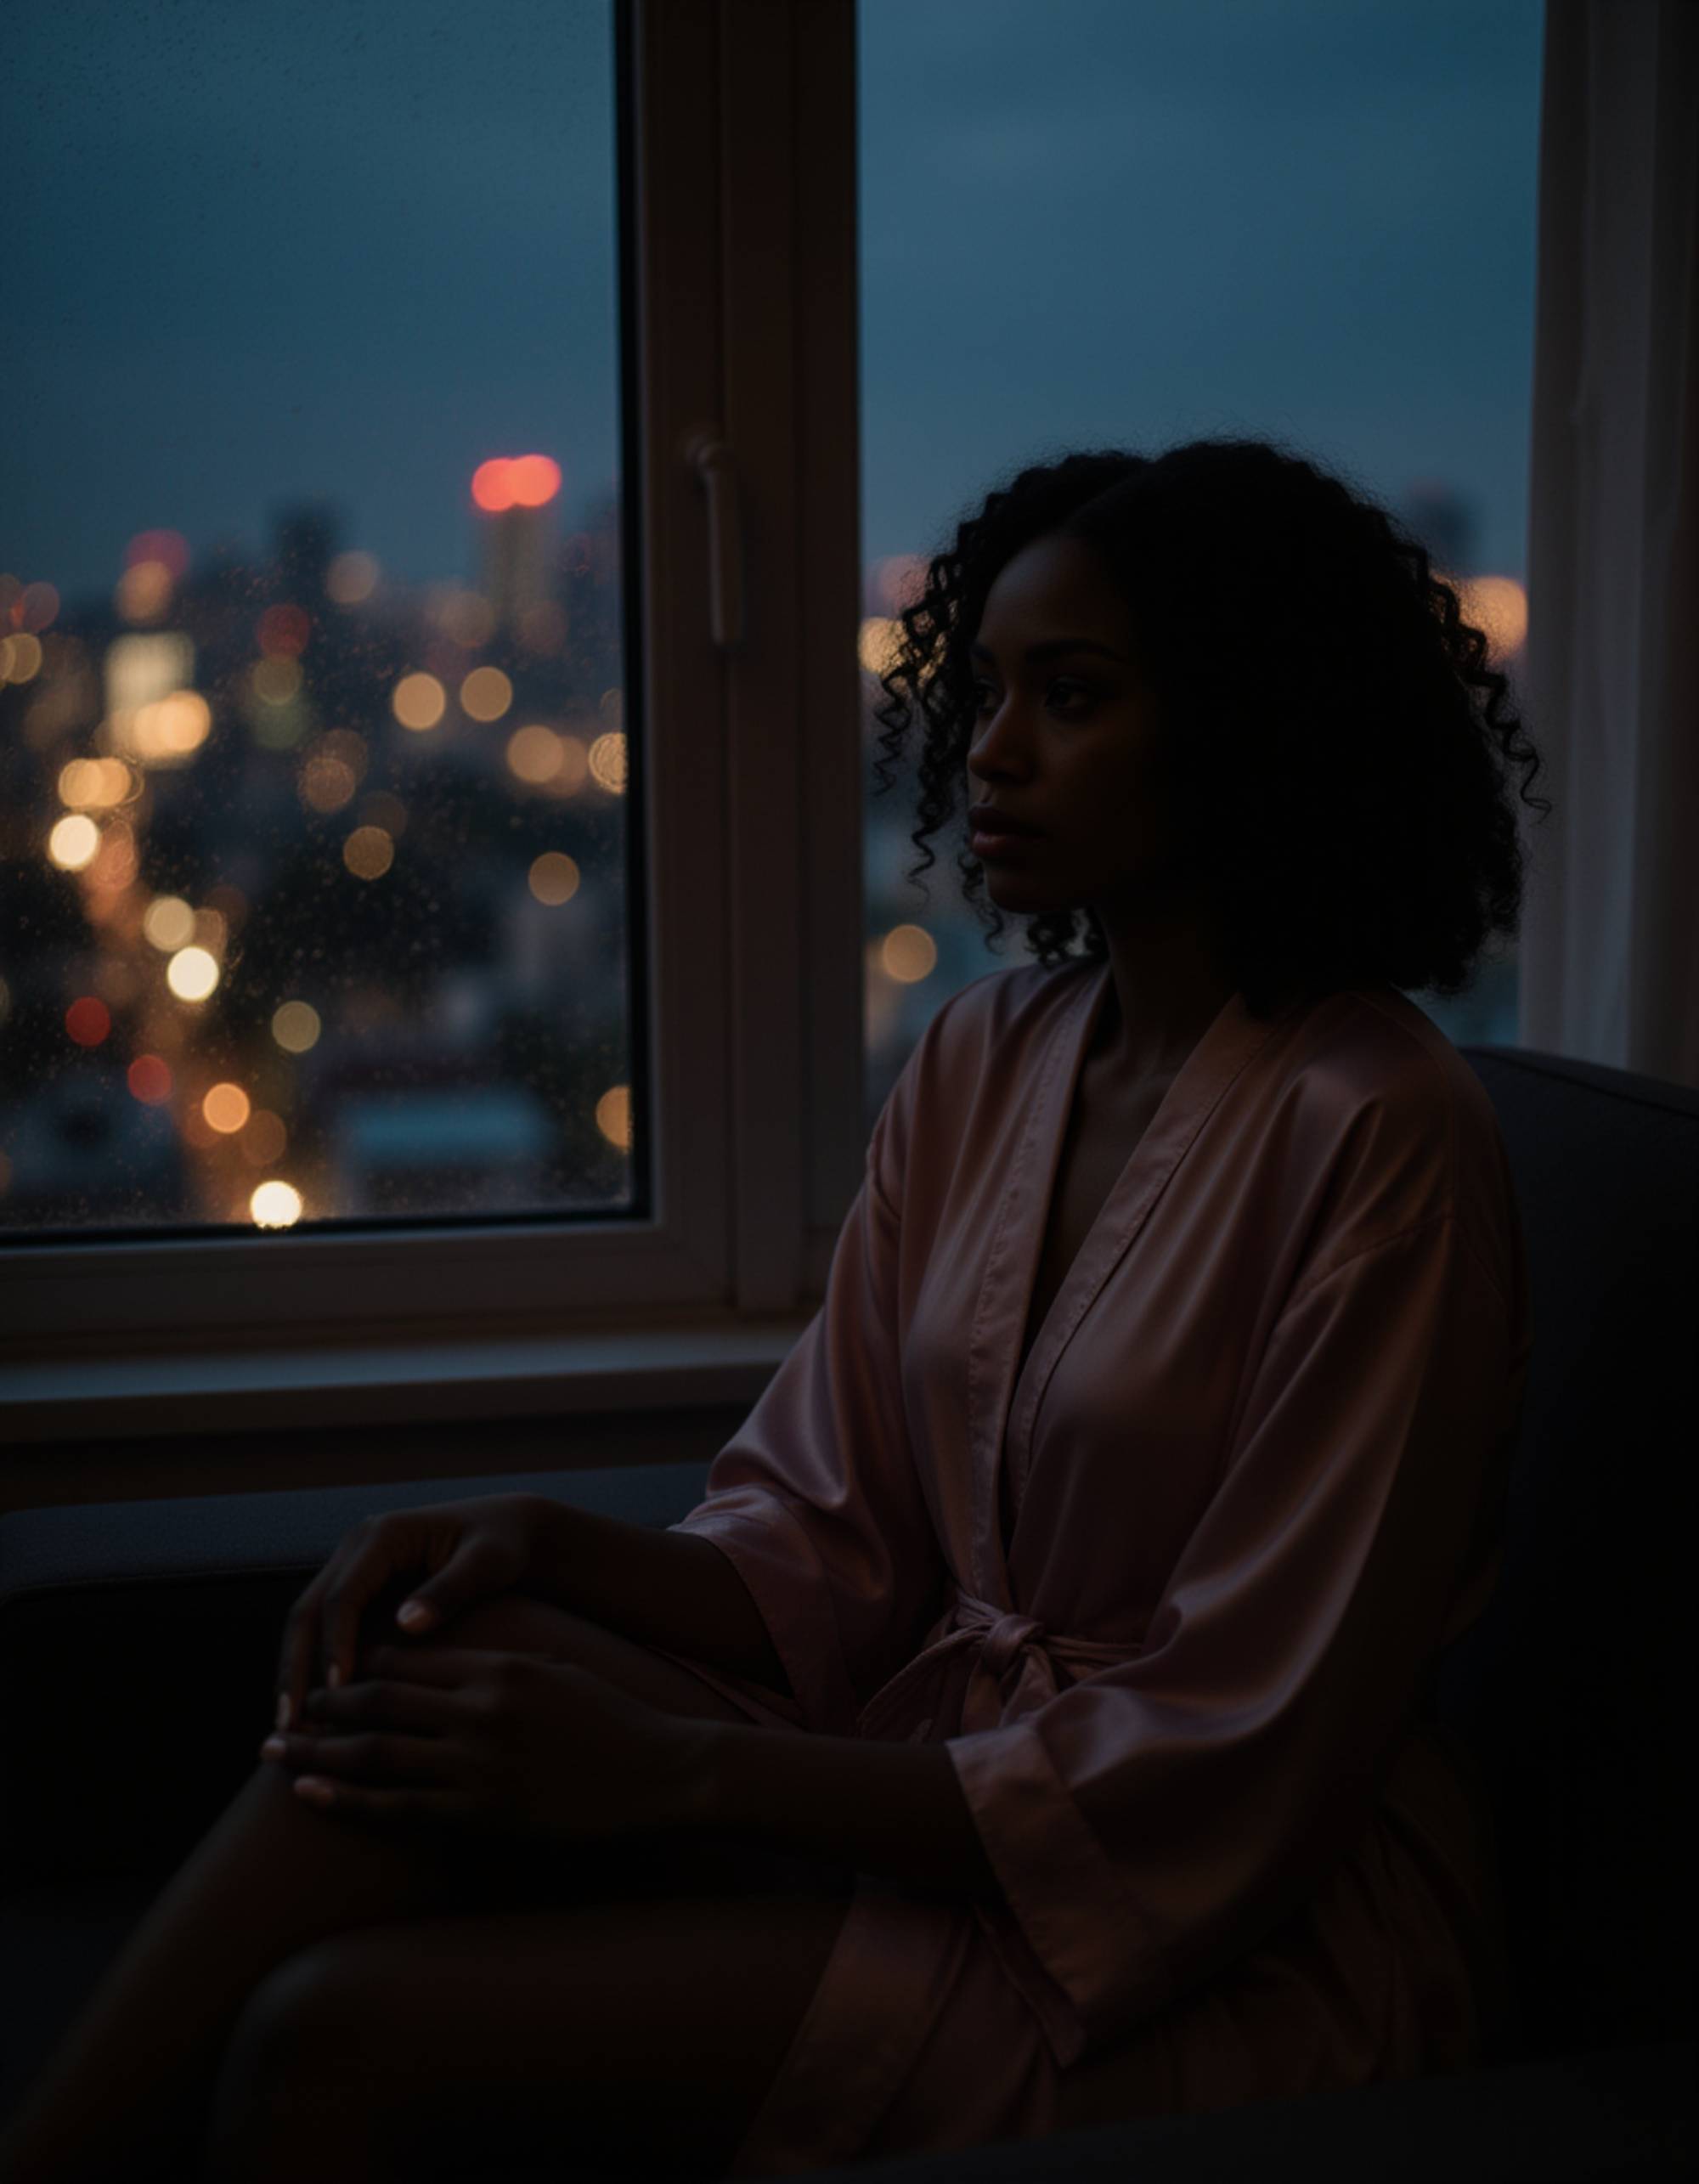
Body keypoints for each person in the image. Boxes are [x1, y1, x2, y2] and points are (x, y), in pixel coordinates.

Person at [0, 435, 1549, 2182]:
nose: (989, 748)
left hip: (1228, 1929)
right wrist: (538, 1536)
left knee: (326, 2040)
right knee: (443, 1656)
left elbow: (1240, 1751)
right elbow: (835, 1538)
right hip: (946, 1786)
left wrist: (671, 1771)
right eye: (985, 691)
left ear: (1245, 729)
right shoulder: (985, 1052)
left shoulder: (1381, 1130)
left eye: (1073, 695)